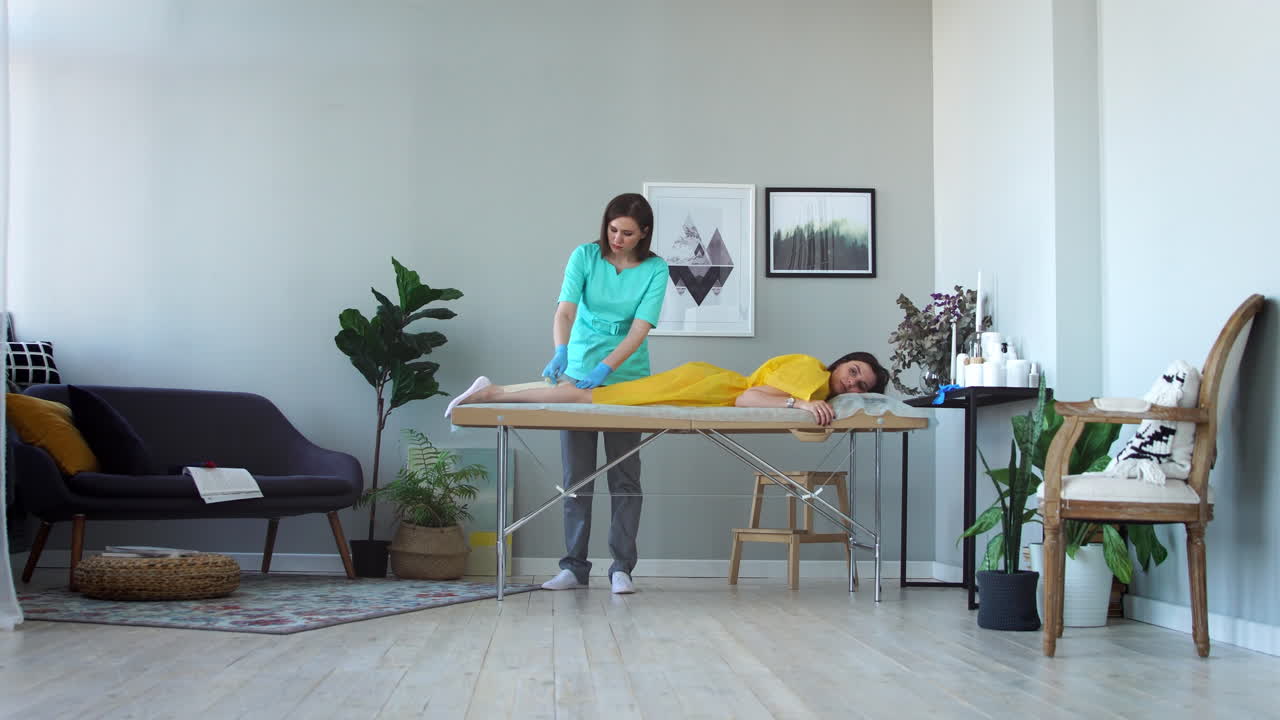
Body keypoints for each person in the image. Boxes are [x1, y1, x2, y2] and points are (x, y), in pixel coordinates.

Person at [536, 193, 668, 595]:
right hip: (577, 372)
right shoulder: (585, 256)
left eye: (627, 233)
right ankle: (574, 567)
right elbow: (565, 311)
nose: (617, 238)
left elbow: (639, 331)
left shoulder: (655, 269)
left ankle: (622, 568)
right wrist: (561, 350)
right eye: (612, 229)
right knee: (577, 477)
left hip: (626, 379)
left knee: (625, 478)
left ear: (644, 233)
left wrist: (607, 368)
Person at [446, 351, 891, 426]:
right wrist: (802, 405)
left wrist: (807, 405)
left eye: (861, 385)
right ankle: (493, 393)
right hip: (706, 386)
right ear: (841, 362)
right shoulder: (813, 374)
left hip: (702, 384)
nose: (852, 382)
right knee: (586, 397)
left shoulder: (819, 389)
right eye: (854, 371)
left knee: (584, 393)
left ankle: (498, 390)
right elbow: (746, 399)